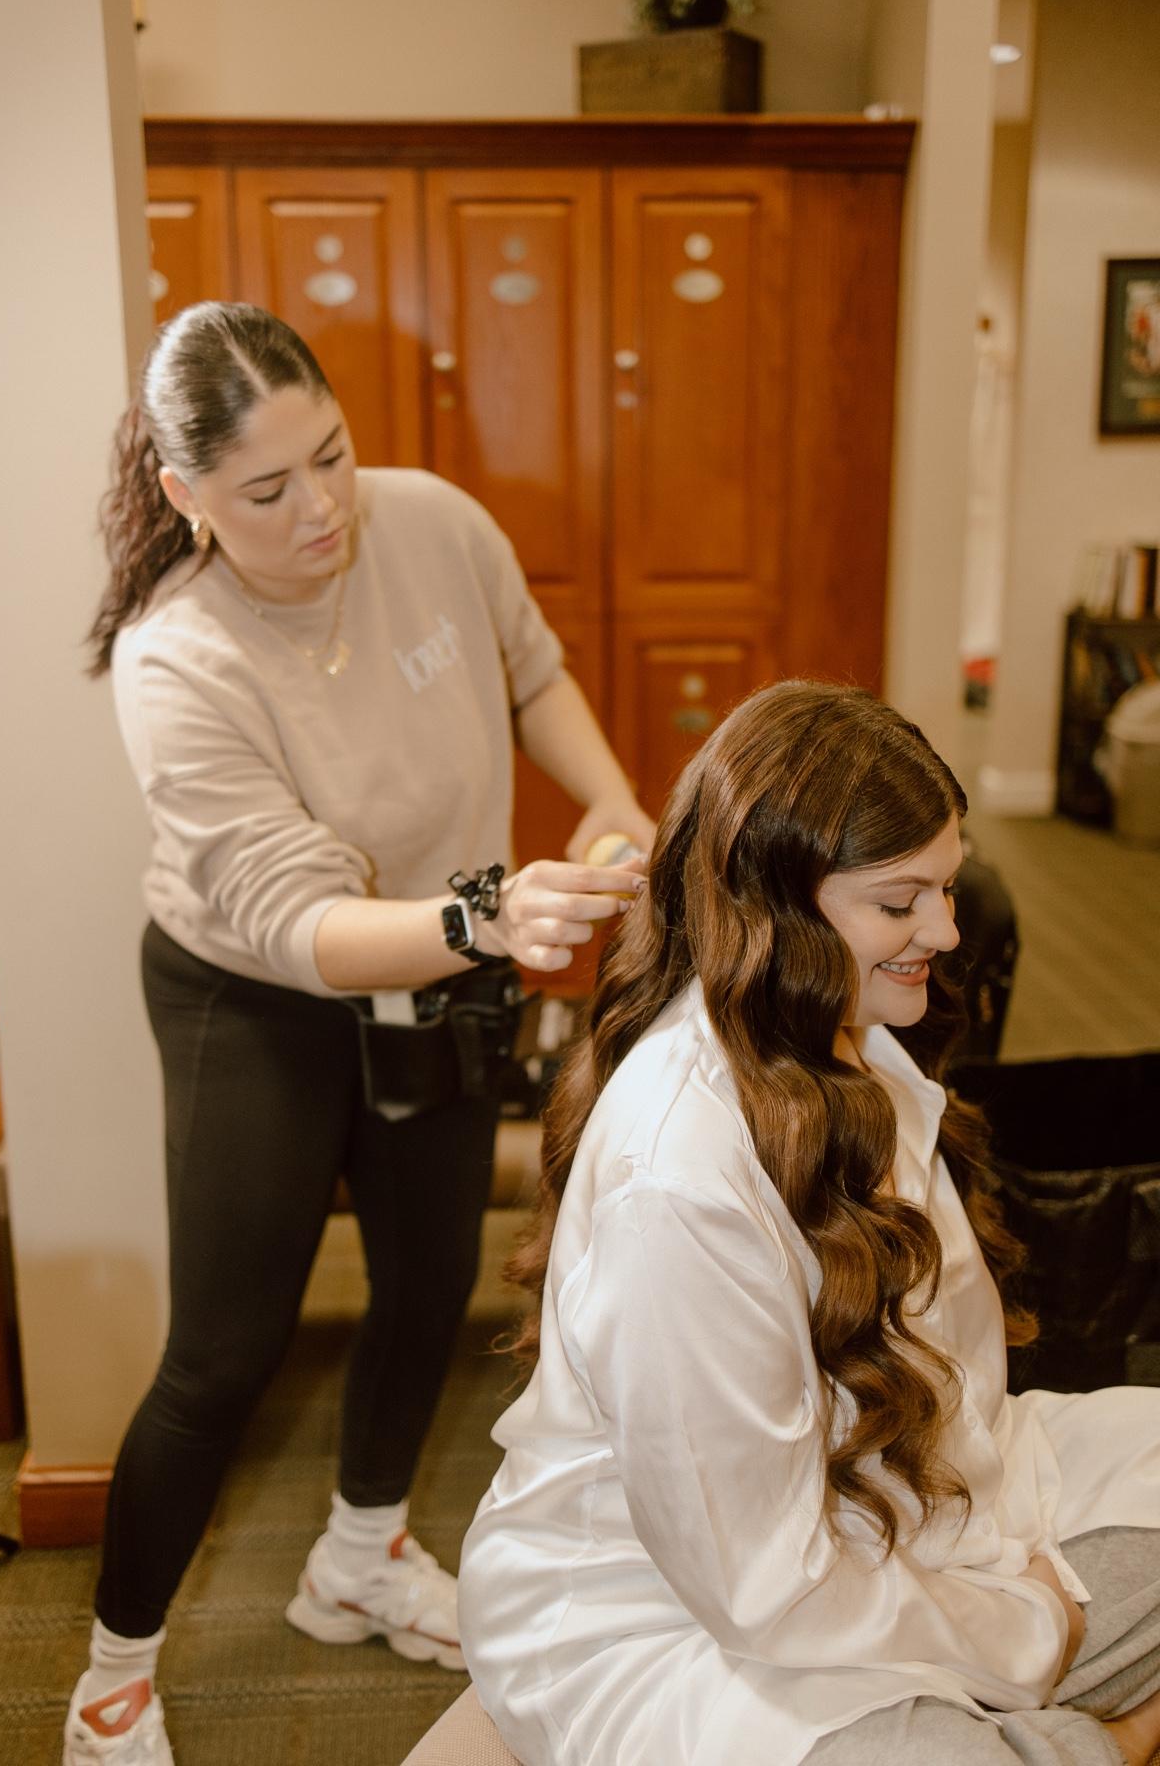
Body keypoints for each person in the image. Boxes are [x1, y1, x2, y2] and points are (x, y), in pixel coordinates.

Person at [63, 301, 653, 1766]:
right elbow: (298, 927)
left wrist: (610, 795)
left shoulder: (433, 522)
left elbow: (532, 671)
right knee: (224, 1349)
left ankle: (360, 1555)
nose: (322, 508)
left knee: (430, 1280)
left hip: (450, 960)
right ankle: (112, 1675)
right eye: (267, 489)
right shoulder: (175, 658)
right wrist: (490, 917)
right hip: (256, 998)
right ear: (185, 494)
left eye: (330, 455)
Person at [458, 681, 1160, 1766]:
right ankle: (1092, 1739)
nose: (948, 930)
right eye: (901, 902)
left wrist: (1007, 1586)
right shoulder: (679, 1177)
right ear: (776, 909)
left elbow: (952, 1392)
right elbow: (761, 1583)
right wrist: (1028, 1623)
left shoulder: (842, 1035)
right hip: (674, 1614)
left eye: (947, 885)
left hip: (893, 1497)